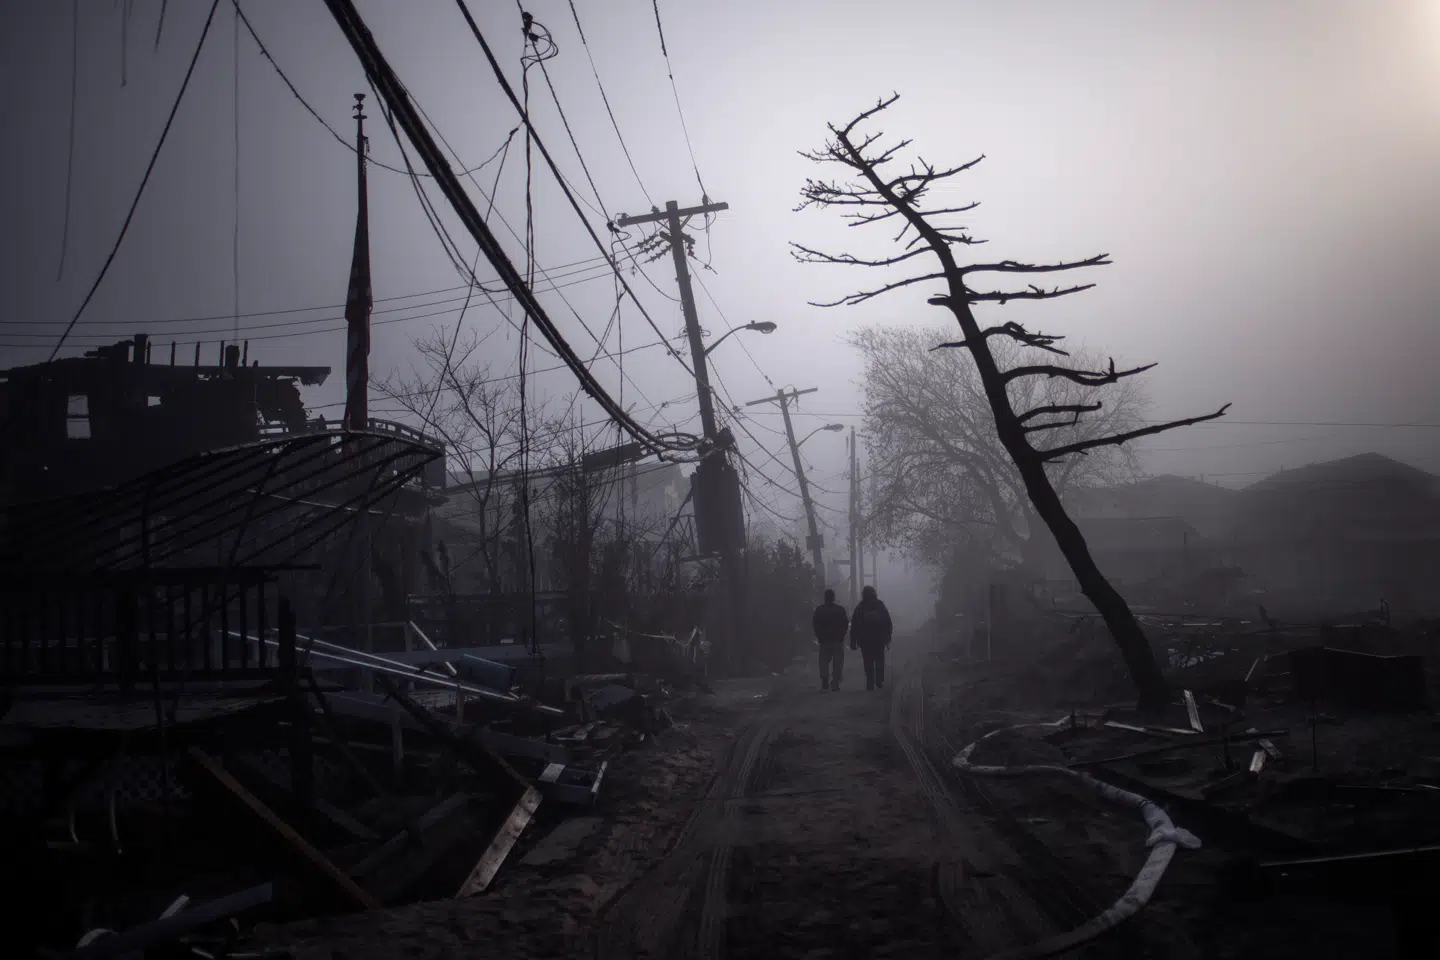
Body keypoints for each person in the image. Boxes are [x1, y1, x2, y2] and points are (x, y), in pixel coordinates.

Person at [850, 584, 893, 691]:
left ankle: (870, 682)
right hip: (879, 640)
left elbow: (854, 625)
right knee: (879, 660)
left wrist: (853, 641)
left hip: (865, 641)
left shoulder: (860, 607)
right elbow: (888, 622)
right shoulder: (880, 606)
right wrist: (887, 637)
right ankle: (879, 680)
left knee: (868, 661)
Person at [811, 588, 849, 691]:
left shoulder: (819, 610)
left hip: (824, 640)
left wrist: (819, 636)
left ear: (825, 598)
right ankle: (835, 683)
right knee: (838, 662)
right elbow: (845, 624)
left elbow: (815, 625)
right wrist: (842, 635)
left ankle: (824, 680)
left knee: (823, 661)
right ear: (833, 598)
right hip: (837, 639)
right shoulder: (840, 610)